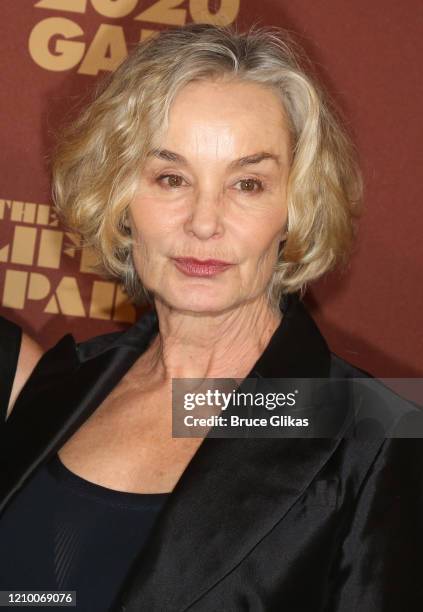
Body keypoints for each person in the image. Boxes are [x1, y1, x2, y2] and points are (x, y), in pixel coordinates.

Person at [0, 23, 422, 612]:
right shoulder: (64, 386)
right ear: (120, 196)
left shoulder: (374, 436)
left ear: (295, 209)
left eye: (247, 184)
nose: (204, 222)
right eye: (171, 178)